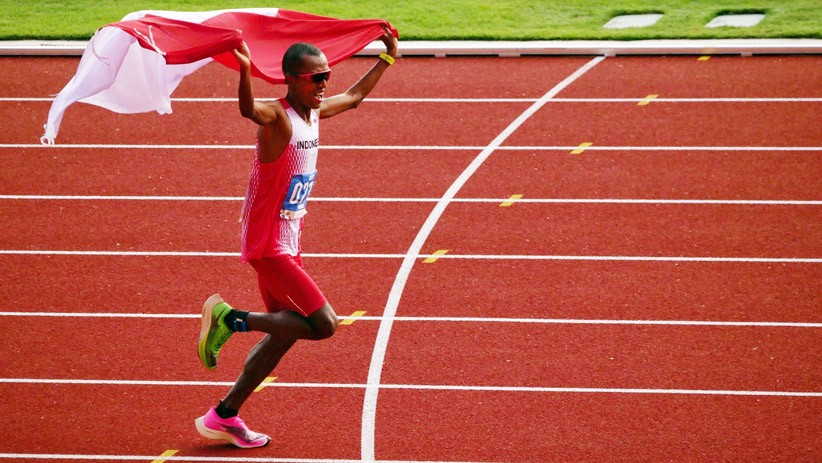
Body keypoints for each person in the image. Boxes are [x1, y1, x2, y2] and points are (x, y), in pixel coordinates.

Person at [194, 26, 398, 448]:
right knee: (324, 325)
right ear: (292, 79)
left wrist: (388, 58)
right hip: (269, 243)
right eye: (316, 78)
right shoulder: (278, 117)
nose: (325, 83)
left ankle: (224, 415)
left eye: (327, 75)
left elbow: (356, 98)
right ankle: (230, 319)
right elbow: (250, 110)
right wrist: (245, 70)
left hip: (288, 239)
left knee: (286, 333)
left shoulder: (313, 114)